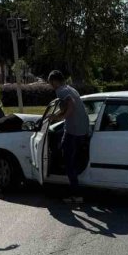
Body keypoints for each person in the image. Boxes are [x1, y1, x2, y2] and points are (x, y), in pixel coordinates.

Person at [48, 70, 90, 204]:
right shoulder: (70, 89)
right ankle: (75, 187)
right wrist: (60, 116)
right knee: (71, 157)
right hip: (83, 130)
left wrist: (59, 117)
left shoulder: (61, 91)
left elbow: (70, 105)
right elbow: (70, 106)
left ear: (54, 81)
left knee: (68, 162)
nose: (51, 85)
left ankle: (76, 194)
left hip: (73, 131)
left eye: (50, 82)